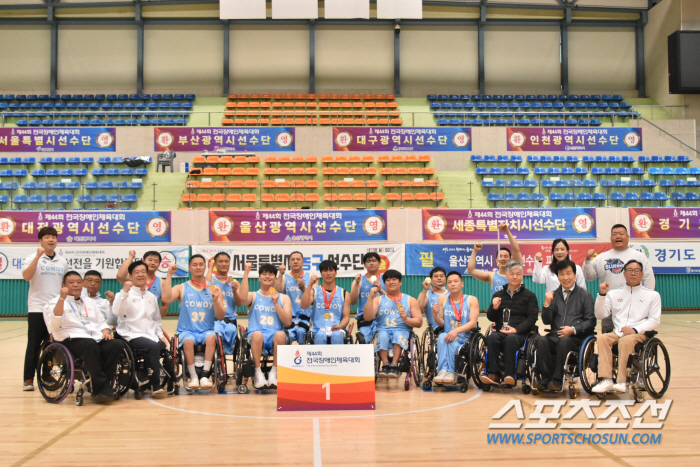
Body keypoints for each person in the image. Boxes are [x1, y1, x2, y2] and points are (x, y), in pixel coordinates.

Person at [44, 271, 122, 399]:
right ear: (63, 285)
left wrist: (105, 331)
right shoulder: (53, 303)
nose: (76, 285)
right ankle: (101, 386)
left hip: (93, 337)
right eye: (71, 282)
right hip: (70, 338)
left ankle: (100, 385)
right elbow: (55, 324)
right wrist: (62, 298)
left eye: (79, 282)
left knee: (116, 344)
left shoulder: (89, 302)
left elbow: (101, 321)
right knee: (89, 344)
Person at [592, 260, 661, 394]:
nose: (633, 273)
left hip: (639, 333)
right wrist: (602, 295)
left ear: (642, 274)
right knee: (602, 338)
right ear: (624, 274)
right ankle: (606, 379)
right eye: (629, 270)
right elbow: (600, 314)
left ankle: (622, 381)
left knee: (626, 340)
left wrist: (635, 330)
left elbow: (654, 320)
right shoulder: (614, 294)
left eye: (636, 271)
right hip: (617, 332)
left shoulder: (652, 295)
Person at [161, 255, 226, 390]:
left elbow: (221, 316)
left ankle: (205, 375)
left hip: (206, 330)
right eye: (194, 265)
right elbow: (166, 298)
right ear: (189, 268)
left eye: (201, 264)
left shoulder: (214, 289)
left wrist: (216, 302)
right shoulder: (181, 287)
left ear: (205, 267)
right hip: (186, 330)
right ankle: (193, 377)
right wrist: (169, 275)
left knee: (211, 338)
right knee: (188, 341)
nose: (198, 267)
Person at [533, 259, 596, 392]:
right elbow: (546, 321)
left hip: (575, 339)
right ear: (558, 276)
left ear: (575, 275)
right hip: (555, 336)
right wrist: (546, 305)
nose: (565, 277)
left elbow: (591, 321)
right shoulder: (553, 295)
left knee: (564, 341)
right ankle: (545, 379)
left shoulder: (585, 295)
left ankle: (556, 380)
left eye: (569, 273)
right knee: (541, 340)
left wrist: (573, 330)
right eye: (562, 274)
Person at [583, 224, 655, 332]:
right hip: (610, 308)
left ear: (628, 237)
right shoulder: (602, 258)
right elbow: (589, 277)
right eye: (614, 234)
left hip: (634, 306)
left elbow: (648, 279)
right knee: (609, 339)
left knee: (631, 339)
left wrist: (645, 301)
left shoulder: (639, 257)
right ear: (611, 238)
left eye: (621, 234)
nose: (618, 237)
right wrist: (588, 260)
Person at [112, 261, 169, 396]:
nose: (140, 275)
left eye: (143, 271)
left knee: (164, 348)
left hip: (150, 335)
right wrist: (125, 292)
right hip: (130, 335)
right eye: (136, 272)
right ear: (130, 276)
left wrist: (160, 335)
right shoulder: (123, 294)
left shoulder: (151, 297)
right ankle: (155, 385)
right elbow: (116, 312)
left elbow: (156, 319)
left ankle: (170, 382)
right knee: (152, 346)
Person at [22, 226, 68, 391]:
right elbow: (26, 276)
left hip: (55, 310)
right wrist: (37, 256)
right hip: (37, 308)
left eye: (53, 237)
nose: (51, 240)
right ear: (40, 240)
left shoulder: (62, 261)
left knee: (52, 343)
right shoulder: (31, 258)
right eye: (47, 237)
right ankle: (28, 379)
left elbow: (65, 284)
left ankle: (46, 375)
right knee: (34, 345)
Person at [235, 262, 293, 389]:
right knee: (257, 334)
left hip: (275, 335)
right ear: (259, 277)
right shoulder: (253, 295)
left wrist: (276, 303)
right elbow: (242, 298)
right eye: (264, 274)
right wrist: (246, 273)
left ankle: (274, 372)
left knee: (281, 334)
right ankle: (258, 372)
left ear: (275, 277)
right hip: (256, 335)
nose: (267, 276)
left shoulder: (284, 298)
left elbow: (288, 322)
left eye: (271, 274)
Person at [482, 261, 538, 386]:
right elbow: (491, 317)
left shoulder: (530, 296)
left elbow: (532, 318)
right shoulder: (498, 295)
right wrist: (494, 308)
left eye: (518, 274)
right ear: (506, 275)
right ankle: (494, 374)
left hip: (520, 333)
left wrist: (516, 330)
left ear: (522, 276)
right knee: (492, 338)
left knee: (511, 339)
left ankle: (509, 374)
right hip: (502, 330)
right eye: (511, 274)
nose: (514, 277)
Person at [363, 269, 422, 379]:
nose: (391, 282)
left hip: (402, 329)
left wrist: (406, 319)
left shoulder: (410, 300)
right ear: (384, 284)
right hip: (383, 329)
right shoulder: (378, 300)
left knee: (397, 334)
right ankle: (385, 365)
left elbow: (419, 322)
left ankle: (394, 365)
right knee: (382, 335)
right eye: (388, 280)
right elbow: (367, 317)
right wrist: (370, 298)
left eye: (394, 279)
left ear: (400, 282)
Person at [432, 272, 479, 385]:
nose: (453, 284)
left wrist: (456, 331)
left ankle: (452, 372)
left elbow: (473, 323)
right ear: (447, 286)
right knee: (442, 336)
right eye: (450, 282)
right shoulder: (442, 299)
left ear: (462, 284)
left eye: (456, 281)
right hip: (448, 336)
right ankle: (443, 370)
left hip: (464, 338)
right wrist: (435, 315)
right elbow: (442, 324)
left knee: (451, 340)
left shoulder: (471, 300)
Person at [299, 260, 353, 345]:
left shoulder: (344, 293)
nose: (328, 273)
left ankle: (338, 358)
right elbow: (303, 305)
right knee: (321, 335)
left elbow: (346, 317)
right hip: (317, 329)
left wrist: (340, 326)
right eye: (325, 270)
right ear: (321, 274)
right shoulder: (314, 291)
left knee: (337, 335)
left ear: (335, 273)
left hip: (337, 329)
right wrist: (309, 284)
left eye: (331, 270)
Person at [467, 223, 524, 295]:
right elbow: (471, 270)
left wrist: (507, 232)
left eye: (506, 256)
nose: (503, 259)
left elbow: (516, 250)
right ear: (496, 260)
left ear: (510, 259)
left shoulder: (517, 272)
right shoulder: (492, 276)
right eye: (500, 256)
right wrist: (474, 251)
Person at [206, 252, 241, 355]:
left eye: (226, 261)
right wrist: (209, 269)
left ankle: (227, 351)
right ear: (215, 264)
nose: (224, 264)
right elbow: (207, 287)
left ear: (229, 264)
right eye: (220, 261)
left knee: (231, 331)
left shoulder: (233, 281)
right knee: (216, 333)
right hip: (214, 320)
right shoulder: (211, 279)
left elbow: (239, 304)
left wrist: (235, 291)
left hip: (230, 320)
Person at [117, 250, 170, 317]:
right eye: (150, 260)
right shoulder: (133, 278)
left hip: (150, 322)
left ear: (159, 264)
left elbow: (165, 305)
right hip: (131, 320)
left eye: (156, 261)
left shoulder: (162, 282)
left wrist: (156, 322)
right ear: (143, 261)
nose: (153, 263)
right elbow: (120, 276)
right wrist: (131, 256)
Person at [274, 251, 311, 344]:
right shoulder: (284, 277)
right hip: (289, 318)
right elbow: (278, 290)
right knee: (288, 336)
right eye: (293, 260)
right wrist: (280, 274)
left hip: (305, 318)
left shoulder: (310, 276)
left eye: (298, 259)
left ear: (303, 262)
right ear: (289, 263)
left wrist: (304, 288)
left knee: (302, 332)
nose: (295, 261)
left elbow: (314, 296)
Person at [350, 252, 386, 344]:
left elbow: (392, 299)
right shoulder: (359, 280)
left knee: (383, 340)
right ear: (365, 265)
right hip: (365, 319)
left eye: (374, 261)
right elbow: (352, 301)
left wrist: (380, 289)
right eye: (368, 261)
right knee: (364, 340)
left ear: (379, 263)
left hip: (382, 317)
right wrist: (356, 284)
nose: (371, 263)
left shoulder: (386, 279)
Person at [416, 266, 449, 332]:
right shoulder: (426, 294)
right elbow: (418, 309)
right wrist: (424, 290)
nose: (439, 278)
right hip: (435, 329)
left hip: (451, 327)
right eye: (436, 276)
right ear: (430, 279)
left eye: (441, 276)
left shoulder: (452, 294)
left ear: (446, 279)